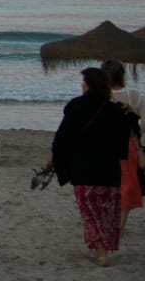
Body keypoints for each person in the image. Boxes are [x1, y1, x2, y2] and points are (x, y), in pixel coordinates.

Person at [50, 67, 132, 267]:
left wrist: (56, 159)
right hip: (109, 171)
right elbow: (122, 147)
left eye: (84, 82)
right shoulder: (116, 110)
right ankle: (103, 249)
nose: (82, 85)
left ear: (88, 85)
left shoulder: (76, 106)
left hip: (83, 169)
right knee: (108, 212)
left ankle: (100, 252)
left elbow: (63, 138)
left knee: (90, 213)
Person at [100, 59, 144, 238]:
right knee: (126, 185)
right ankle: (120, 227)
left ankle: (107, 222)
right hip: (127, 145)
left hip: (103, 145)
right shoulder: (133, 95)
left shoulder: (100, 95)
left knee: (105, 184)